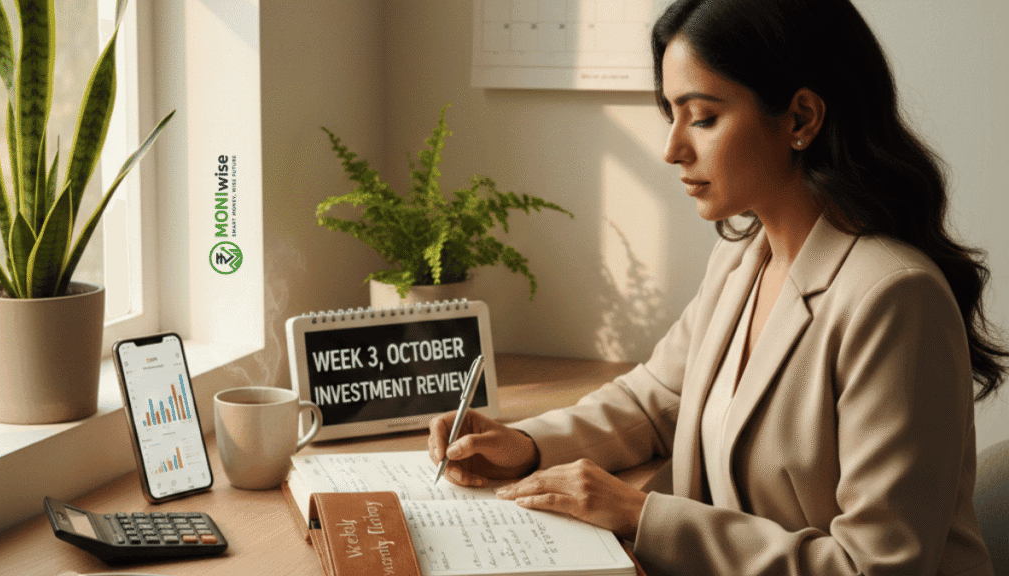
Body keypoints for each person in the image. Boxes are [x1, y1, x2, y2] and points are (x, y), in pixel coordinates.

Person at [428, 0, 1006, 574]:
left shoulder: (894, 297)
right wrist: (525, 445)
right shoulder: (741, 259)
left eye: (701, 117)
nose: (671, 148)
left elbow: (876, 567)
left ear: (802, 119)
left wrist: (641, 515)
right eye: (670, 115)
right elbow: (653, 403)